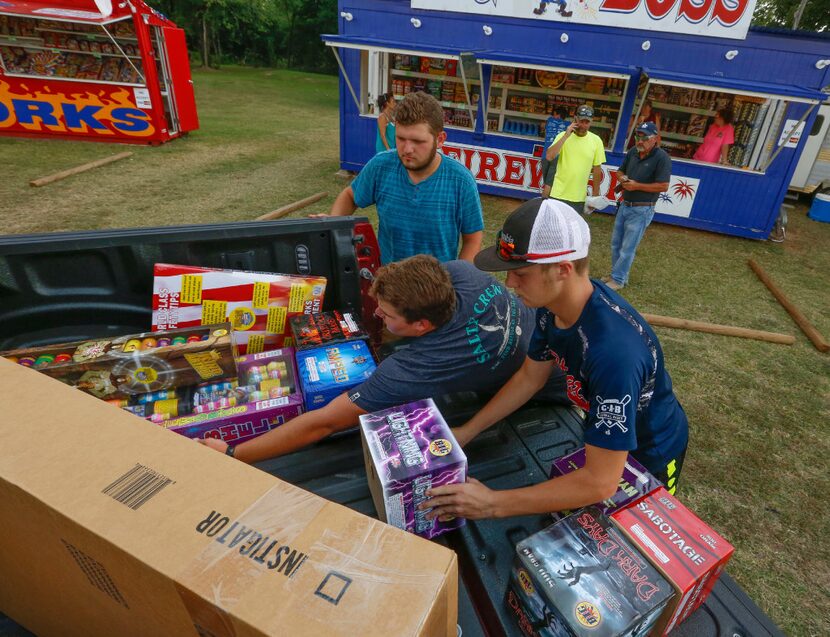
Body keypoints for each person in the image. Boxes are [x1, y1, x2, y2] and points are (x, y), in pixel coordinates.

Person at [421, 198, 689, 522]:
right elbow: (529, 378)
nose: (509, 284)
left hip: (651, 448)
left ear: (563, 270)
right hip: (602, 437)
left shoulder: (613, 354)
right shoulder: (553, 309)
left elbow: (600, 481)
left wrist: (492, 503)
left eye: (520, 274)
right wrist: (467, 430)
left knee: (636, 536)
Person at [198, 254, 565, 463]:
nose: (378, 317)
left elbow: (322, 424)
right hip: (549, 333)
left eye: (387, 315)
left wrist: (234, 451)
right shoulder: (462, 273)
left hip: (553, 385)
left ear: (421, 325)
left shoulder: (415, 367)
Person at [320, 91, 484, 264]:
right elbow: (350, 196)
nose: (407, 149)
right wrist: (332, 224)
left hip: (437, 288)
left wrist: (458, 282)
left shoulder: (461, 181)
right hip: (387, 283)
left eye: (417, 141)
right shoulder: (381, 166)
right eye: (400, 138)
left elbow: (472, 240)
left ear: (440, 139)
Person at [605, 121, 671, 291]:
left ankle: (618, 280)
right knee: (616, 243)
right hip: (625, 204)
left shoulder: (662, 157)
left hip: (642, 208)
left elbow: (663, 186)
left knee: (628, 247)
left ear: (655, 139)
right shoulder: (633, 152)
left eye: (644, 138)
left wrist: (637, 186)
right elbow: (620, 171)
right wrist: (622, 179)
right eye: (637, 136)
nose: (640, 141)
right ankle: (616, 275)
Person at [545, 105, 605, 214]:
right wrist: (566, 136)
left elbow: (597, 170)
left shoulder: (596, 141)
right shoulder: (562, 136)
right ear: (575, 119)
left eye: (587, 122)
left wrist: (595, 197)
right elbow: (549, 156)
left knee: (573, 230)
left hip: (579, 198)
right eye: (581, 121)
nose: (583, 125)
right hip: (557, 194)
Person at [540, 106, 570, 199]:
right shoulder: (568, 124)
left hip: (545, 154)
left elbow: (542, 126)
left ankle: (545, 201)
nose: (553, 115)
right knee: (549, 182)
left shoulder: (549, 120)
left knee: (547, 182)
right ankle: (547, 201)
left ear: (558, 114)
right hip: (557, 155)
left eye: (554, 113)